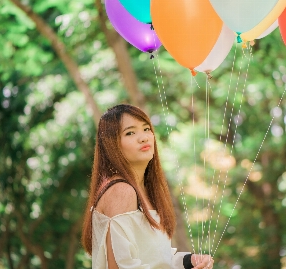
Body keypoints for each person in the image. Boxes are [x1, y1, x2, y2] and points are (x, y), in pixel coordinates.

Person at [81, 104, 214, 269]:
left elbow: (156, 259)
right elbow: (121, 266)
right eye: (130, 132)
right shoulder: (121, 191)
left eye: (146, 129)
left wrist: (191, 261)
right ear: (112, 144)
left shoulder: (146, 191)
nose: (143, 137)